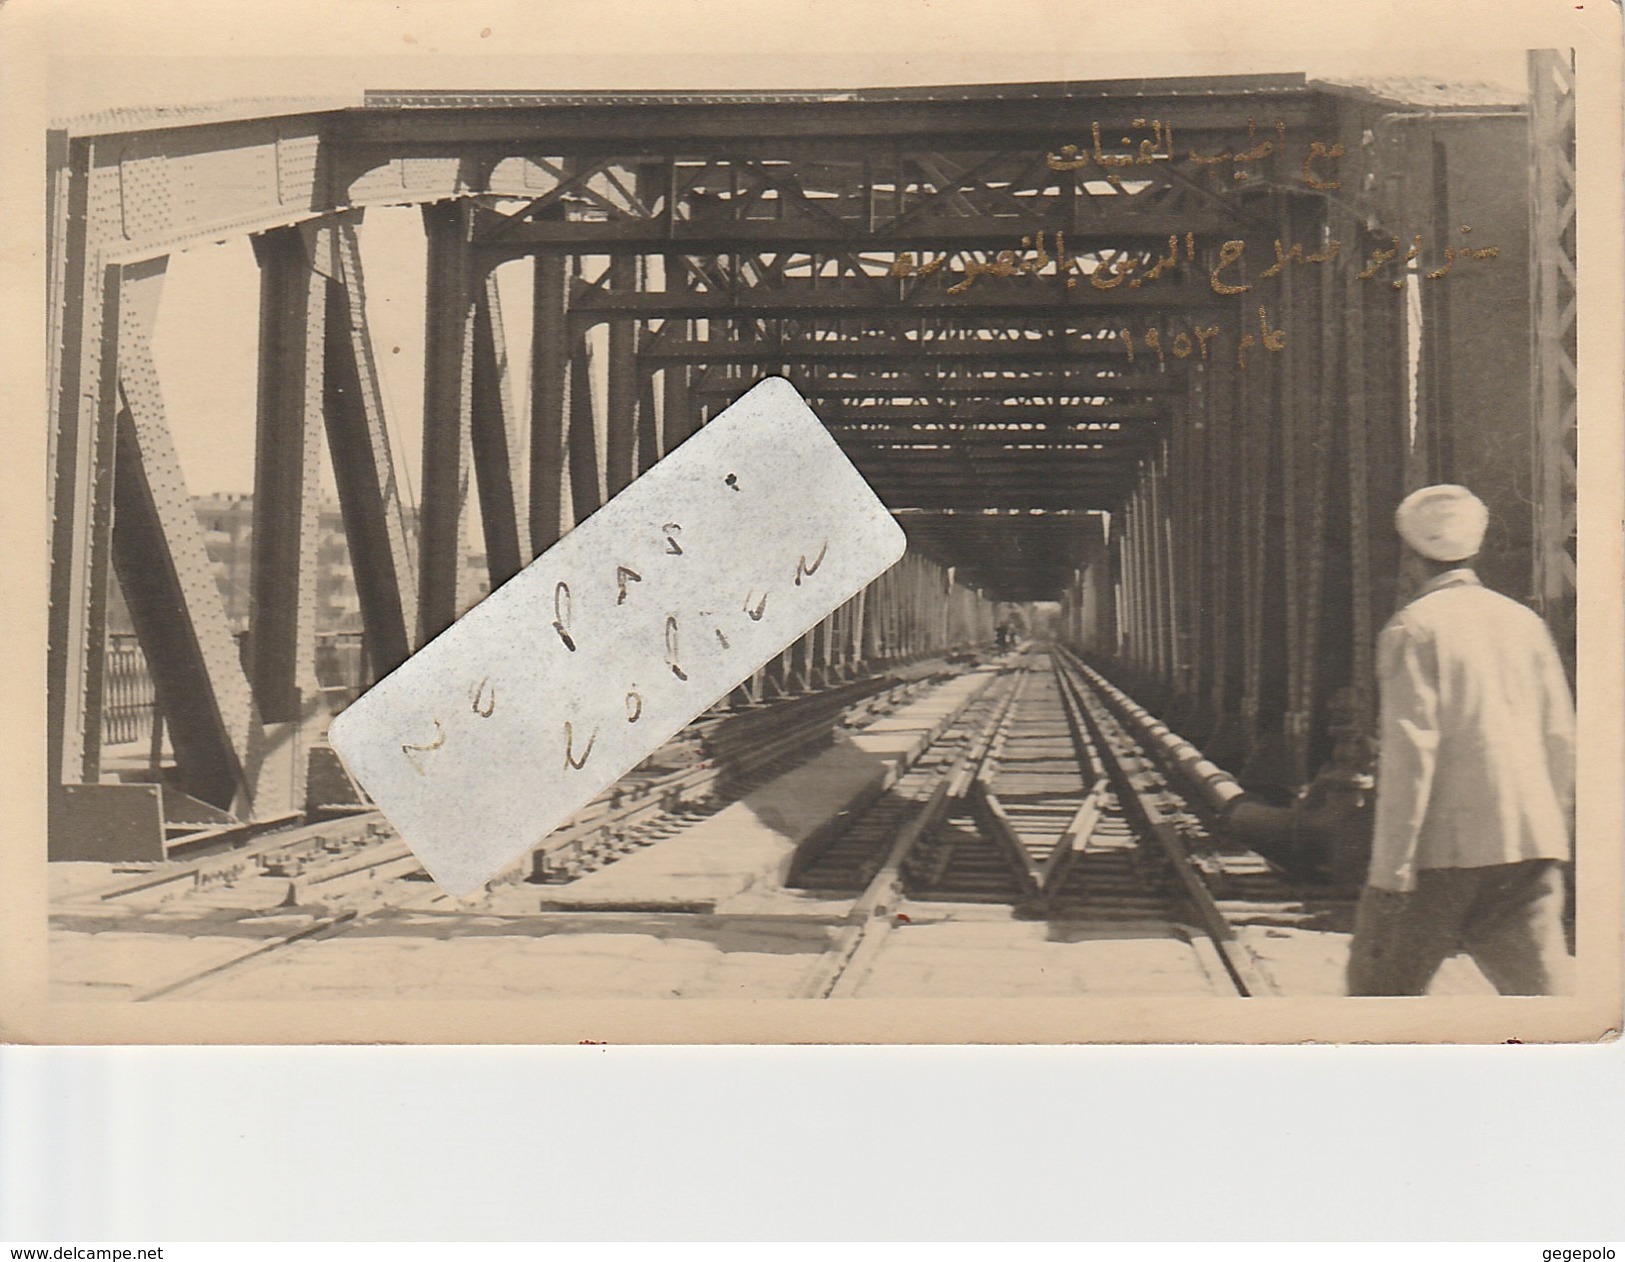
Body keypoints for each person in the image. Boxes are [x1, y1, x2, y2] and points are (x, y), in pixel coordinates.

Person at [1346, 484, 1575, 996]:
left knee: (1375, 1005)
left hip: (1440, 856)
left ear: (1410, 557)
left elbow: (1411, 757)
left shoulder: (1413, 629)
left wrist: (1391, 871)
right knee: (1544, 1004)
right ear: (1477, 549)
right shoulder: (1524, 623)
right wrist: (1554, 837)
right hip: (1528, 848)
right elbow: (1560, 736)